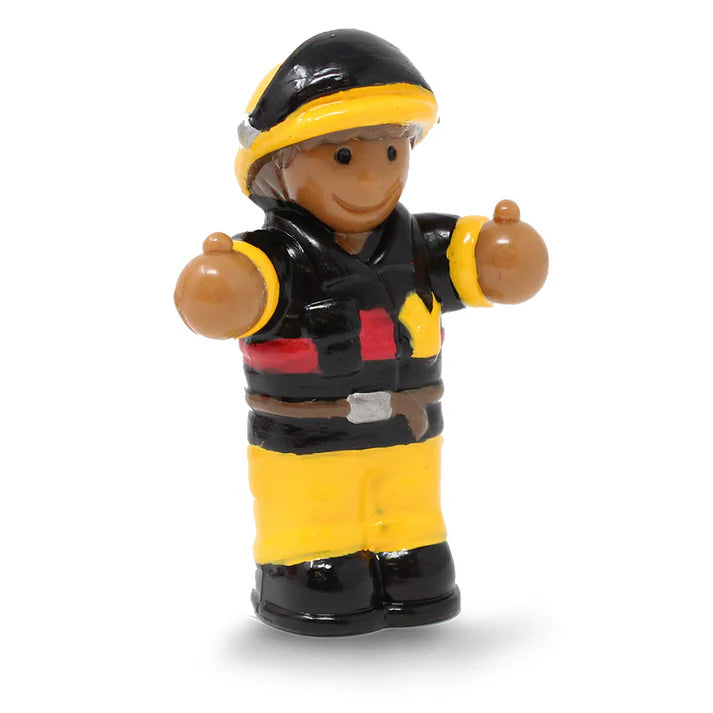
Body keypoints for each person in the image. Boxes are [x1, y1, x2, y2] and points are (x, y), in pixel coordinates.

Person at [174, 29, 548, 635]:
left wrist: (504, 254)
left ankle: (410, 553)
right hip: (306, 439)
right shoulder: (278, 258)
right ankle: (305, 564)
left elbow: (477, 260)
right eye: (344, 157)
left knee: (411, 524)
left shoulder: (418, 246)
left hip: (408, 431)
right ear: (278, 167)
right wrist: (225, 288)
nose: (373, 179)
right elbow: (241, 289)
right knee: (317, 534)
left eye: (392, 154)